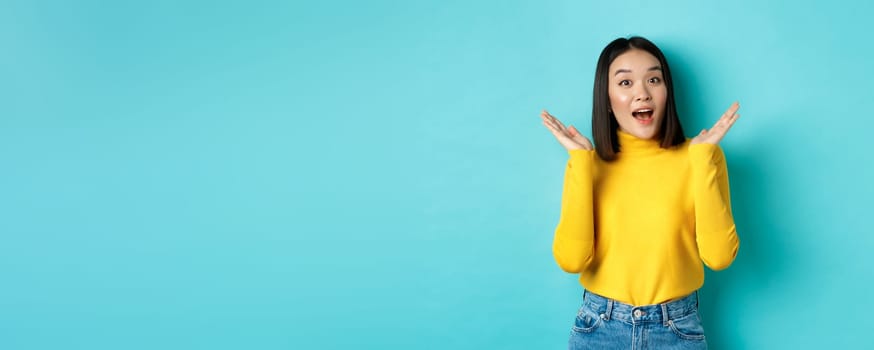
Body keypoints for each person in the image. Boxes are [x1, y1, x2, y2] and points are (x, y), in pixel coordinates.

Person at [540, 36, 740, 350]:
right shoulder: (587, 164)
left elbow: (719, 257)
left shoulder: (703, 156)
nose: (642, 93)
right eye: (625, 82)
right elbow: (571, 260)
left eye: (653, 79)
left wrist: (701, 160)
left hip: (677, 329)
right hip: (599, 327)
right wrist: (580, 162)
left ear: (666, 91)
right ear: (606, 98)